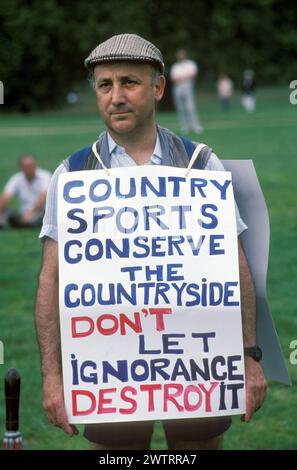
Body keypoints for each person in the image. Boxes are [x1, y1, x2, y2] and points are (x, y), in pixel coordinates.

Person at [35, 33, 266, 450]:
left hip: (197, 362)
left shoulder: (200, 164)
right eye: (105, 85)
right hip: (105, 366)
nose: (116, 96)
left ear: (158, 88)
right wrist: (53, 377)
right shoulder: (73, 176)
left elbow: (236, 266)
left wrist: (250, 358)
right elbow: (50, 283)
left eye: (130, 82)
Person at [0, 155, 51, 228]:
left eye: (31, 165)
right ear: (21, 167)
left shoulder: (45, 176)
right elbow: (6, 196)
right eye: (26, 166)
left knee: (38, 216)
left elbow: (43, 197)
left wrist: (31, 213)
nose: (29, 168)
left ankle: (24, 223)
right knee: (7, 210)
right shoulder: (16, 178)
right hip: (24, 212)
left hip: (41, 211)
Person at [170, 49, 203, 133]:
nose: (181, 57)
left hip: (188, 88)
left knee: (190, 107)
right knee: (181, 108)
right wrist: (184, 77)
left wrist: (182, 78)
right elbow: (174, 79)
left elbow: (192, 75)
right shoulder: (175, 67)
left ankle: (196, 126)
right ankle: (184, 126)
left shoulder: (190, 64)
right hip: (178, 88)